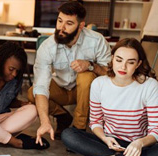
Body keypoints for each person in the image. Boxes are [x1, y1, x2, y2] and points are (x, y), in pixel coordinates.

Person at [62, 38, 158, 156]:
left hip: (139, 145)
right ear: (112, 59)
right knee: (68, 135)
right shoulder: (99, 84)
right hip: (110, 144)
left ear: (138, 64)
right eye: (119, 60)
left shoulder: (149, 86)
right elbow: (95, 122)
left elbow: (156, 130)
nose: (123, 67)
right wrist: (105, 139)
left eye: (130, 62)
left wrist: (139, 143)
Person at [28, 1, 111, 143]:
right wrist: (45, 122)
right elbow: (41, 86)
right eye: (60, 21)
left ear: (81, 26)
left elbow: (110, 74)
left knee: (86, 76)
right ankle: (62, 116)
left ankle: (79, 130)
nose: (61, 27)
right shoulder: (47, 46)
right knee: (32, 92)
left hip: (86, 92)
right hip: (61, 88)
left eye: (69, 23)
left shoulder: (97, 41)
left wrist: (91, 65)